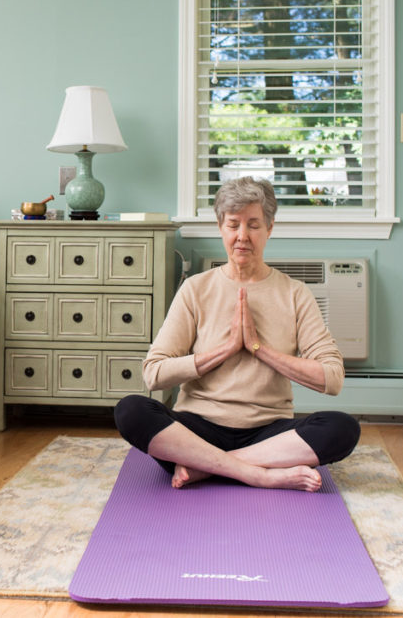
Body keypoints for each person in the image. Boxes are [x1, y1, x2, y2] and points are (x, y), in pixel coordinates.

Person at [114, 176, 359, 492]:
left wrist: (259, 349)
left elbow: (332, 378)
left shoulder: (295, 293)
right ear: (220, 228)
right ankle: (257, 474)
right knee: (130, 411)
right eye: (233, 225)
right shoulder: (196, 289)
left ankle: (207, 467)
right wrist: (226, 349)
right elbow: (153, 373)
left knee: (343, 428)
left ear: (269, 228)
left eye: (254, 225)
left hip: (269, 431)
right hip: (198, 428)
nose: (243, 236)